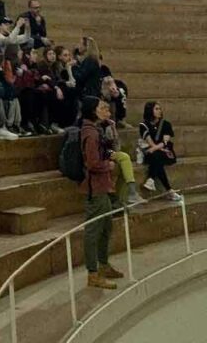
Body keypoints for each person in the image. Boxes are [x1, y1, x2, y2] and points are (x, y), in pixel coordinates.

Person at [80, 96, 123, 289]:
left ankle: (103, 264)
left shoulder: (96, 130)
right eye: (101, 107)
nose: (104, 109)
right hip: (95, 188)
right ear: (93, 110)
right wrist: (109, 164)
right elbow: (93, 163)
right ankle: (93, 273)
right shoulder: (90, 133)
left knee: (106, 228)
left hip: (102, 186)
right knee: (93, 232)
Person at [139, 101, 181, 201]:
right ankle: (169, 190)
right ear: (150, 111)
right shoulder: (143, 125)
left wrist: (155, 148)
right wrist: (154, 148)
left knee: (157, 156)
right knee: (156, 157)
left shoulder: (165, 124)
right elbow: (149, 142)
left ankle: (151, 178)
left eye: (160, 109)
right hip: (153, 150)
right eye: (156, 109)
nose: (159, 111)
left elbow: (165, 141)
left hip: (165, 151)